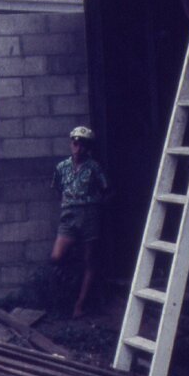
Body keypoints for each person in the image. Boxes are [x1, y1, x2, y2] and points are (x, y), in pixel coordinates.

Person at [51, 127, 109, 318]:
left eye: (82, 144)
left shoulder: (93, 167)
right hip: (69, 215)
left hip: (89, 215)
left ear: (88, 148)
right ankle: (69, 288)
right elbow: (57, 189)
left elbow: (106, 189)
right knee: (57, 257)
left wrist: (95, 205)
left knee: (89, 260)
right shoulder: (61, 167)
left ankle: (80, 304)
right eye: (75, 143)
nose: (78, 148)